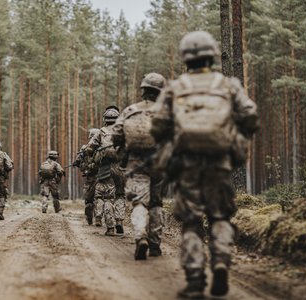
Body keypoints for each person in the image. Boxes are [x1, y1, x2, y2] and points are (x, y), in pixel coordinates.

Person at [151, 31, 259, 299]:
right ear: (212, 54)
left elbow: (158, 125)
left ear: (185, 57)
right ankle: (221, 262)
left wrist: (170, 143)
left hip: (186, 164)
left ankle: (196, 280)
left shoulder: (175, 87)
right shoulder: (228, 84)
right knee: (220, 216)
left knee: (191, 222)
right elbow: (250, 115)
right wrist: (237, 140)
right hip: (219, 162)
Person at [112, 72, 167, 259]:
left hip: (136, 162)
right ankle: (155, 244)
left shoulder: (130, 110)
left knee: (139, 201)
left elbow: (117, 134)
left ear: (143, 90)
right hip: (160, 161)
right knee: (156, 202)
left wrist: (122, 148)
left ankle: (140, 237)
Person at [86, 106, 126, 236]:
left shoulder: (101, 132)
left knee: (108, 197)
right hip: (121, 168)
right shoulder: (123, 130)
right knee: (120, 195)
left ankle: (110, 228)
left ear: (105, 119)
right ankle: (119, 221)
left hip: (106, 168)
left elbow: (90, 148)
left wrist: (92, 152)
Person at [73, 128, 100, 225]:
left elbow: (78, 160)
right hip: (104, 176)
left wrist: (76, 163)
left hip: (90, 176)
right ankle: (99, 218)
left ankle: (89, 218)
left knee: (89, 198)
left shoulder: (85, 148)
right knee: (102, 197)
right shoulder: (104, 147)